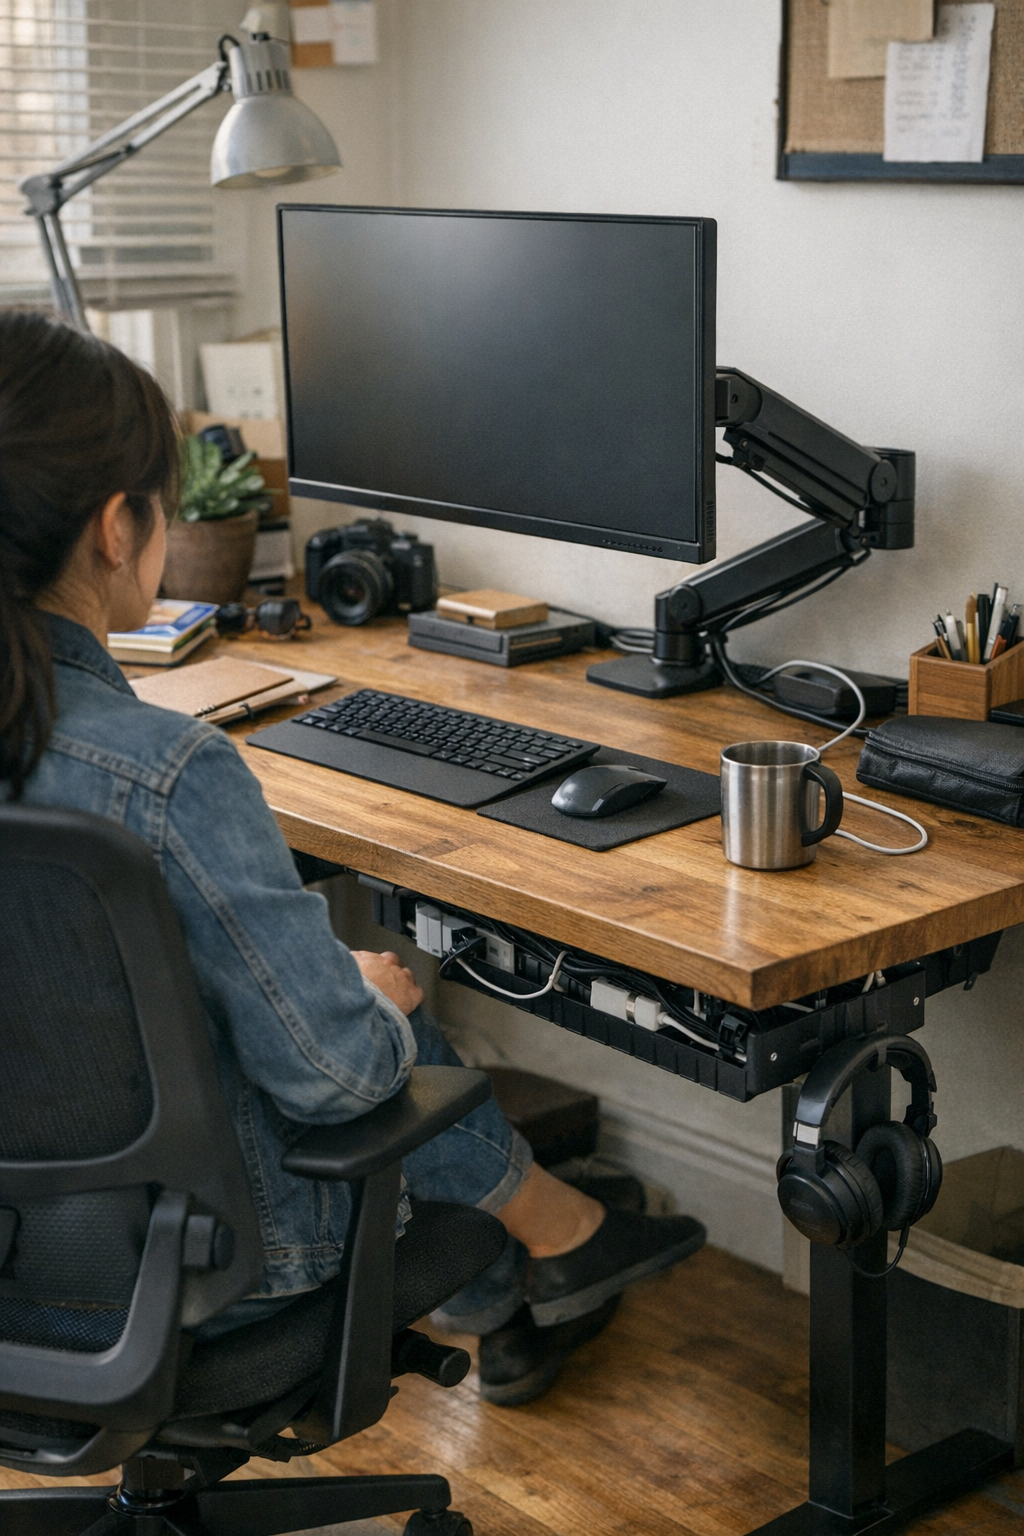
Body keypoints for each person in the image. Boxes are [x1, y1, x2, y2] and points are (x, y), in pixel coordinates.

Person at [0, 312, 705, 1407]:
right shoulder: (166, 769)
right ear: (113, 526)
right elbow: (331, 1080)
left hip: (18, 1261)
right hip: (200, 1273)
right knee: (360, 999)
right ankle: (542, 1248)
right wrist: (369, 1004)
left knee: (276, 993)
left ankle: (531, 1264)